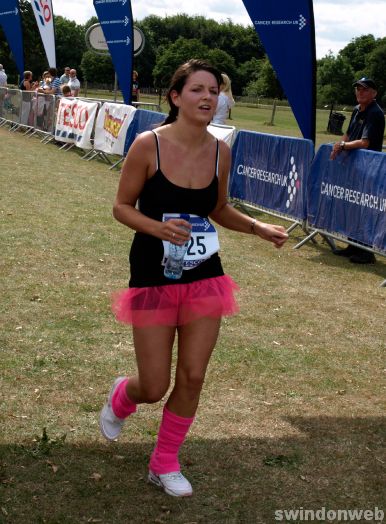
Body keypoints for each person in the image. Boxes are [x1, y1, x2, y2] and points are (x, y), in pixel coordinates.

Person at [99, 59, 288, 498]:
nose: (208, 97)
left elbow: (218, 209)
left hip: (204, 276)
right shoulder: (149, 145)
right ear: (176, 97)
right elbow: (121, 206)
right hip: (153, 274)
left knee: (193, 375)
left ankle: (163, 462)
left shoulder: (221, 151)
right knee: (154, 384)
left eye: (214, 90)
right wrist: (157, 227)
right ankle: (122, 398)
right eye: (198, 89)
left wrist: (259, 228)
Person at [330, 77, 385, 264]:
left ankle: (367, 252)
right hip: (354, 167)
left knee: (365, 208)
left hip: (369, 169)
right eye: (358, 89)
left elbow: (365, 142)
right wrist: (339, 144)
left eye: (365, 89)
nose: (360, 92)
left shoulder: (375, 113)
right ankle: (353, 245)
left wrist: (343, 145)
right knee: (353, 206)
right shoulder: (356, 110)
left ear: (374, 93)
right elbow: (348, 134)